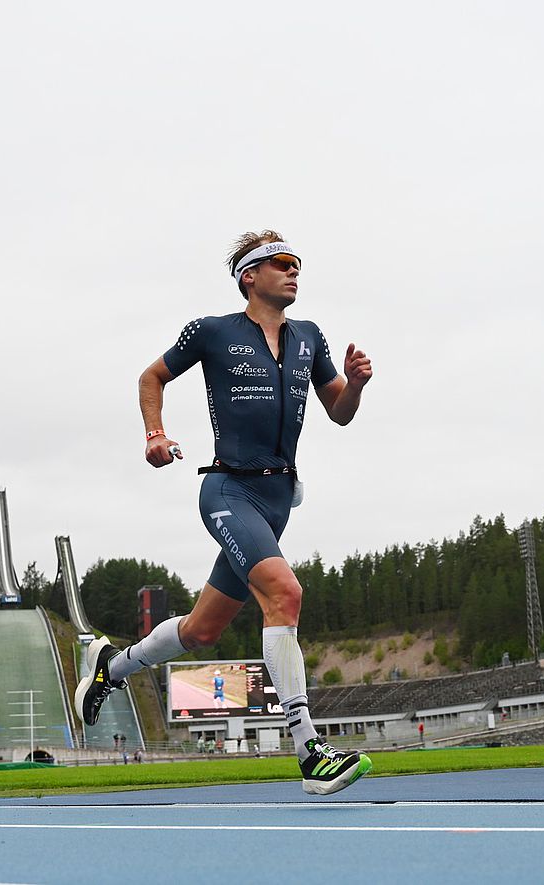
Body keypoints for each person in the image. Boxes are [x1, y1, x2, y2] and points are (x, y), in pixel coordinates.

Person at [75, 230, 374, 796]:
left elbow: (339, 411)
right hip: (229, 492)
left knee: (202, 630)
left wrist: (354, 385)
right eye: (282, 264)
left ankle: (110, 667)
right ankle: (310, 750)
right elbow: (151, 376)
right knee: (285, 593)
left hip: (278, 499)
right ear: (249, 277)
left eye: (297, 264)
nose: (294, 272)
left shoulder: (310, 337)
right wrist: (154, 434)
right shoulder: (212, 332)